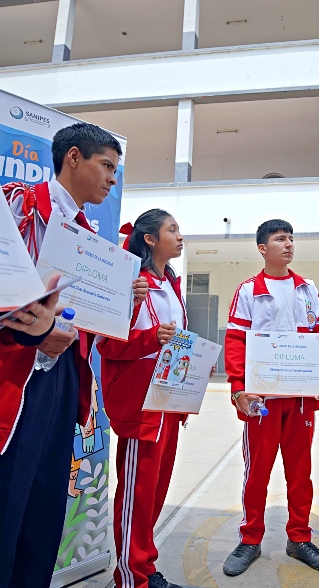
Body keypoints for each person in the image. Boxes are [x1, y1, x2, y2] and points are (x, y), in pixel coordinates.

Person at [0, 123, 148, 588]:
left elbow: (92, 322)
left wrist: (125, 303)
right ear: (74, 158)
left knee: (44, 507)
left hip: (65, 376)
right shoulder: (17, 205)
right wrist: (34, 333)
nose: (111, 179)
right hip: (15, 376)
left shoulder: (90, 237)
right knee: (8, 502)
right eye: (106, 166)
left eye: (116, 170)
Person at [222, 219, 319, 578]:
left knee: (300, 472)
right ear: (262, 248)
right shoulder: (248, 290)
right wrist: (239, 389)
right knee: (257, 472)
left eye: (291, 239)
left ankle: (299, 538)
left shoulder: (307, 289)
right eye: (279, 239)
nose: (288, 245)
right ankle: (251, 539)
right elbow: (237, 341)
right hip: (263, 400)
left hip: (300, 398)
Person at [97, 210, 195, 588]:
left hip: (168, 396)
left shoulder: (169, 282)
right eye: (173, 229)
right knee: (136, 495)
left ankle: (145, 567)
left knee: (154, 493)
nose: (180, 236)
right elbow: (107, 344)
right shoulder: (132, 283)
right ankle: (131, 577)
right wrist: (149, 337)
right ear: (150, 239)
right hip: (142, 404)